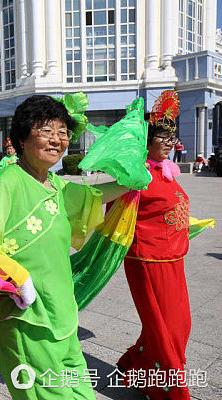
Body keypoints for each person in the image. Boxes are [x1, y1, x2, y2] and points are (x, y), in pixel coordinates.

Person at [0, 95, 129, 399]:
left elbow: (92, 197)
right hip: (26, 317)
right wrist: (17, 276)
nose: (56, 140)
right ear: (21, 138)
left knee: (81, 392)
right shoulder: (9, 181)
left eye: (62, 132)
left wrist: (133, 181)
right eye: (46, 130)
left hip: (61, 313)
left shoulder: (55, 185)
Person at [117, 90, 192, 400]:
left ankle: (137, 367)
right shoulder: (137, 175)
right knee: (166, 330)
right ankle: (169, 390)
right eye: (162, 137)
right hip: (148, 260)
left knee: (178, 326)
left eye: (171, 137)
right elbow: (117, 216)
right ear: (146, 141)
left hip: (174, 258)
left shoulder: (168, 172)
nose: (168, 142)